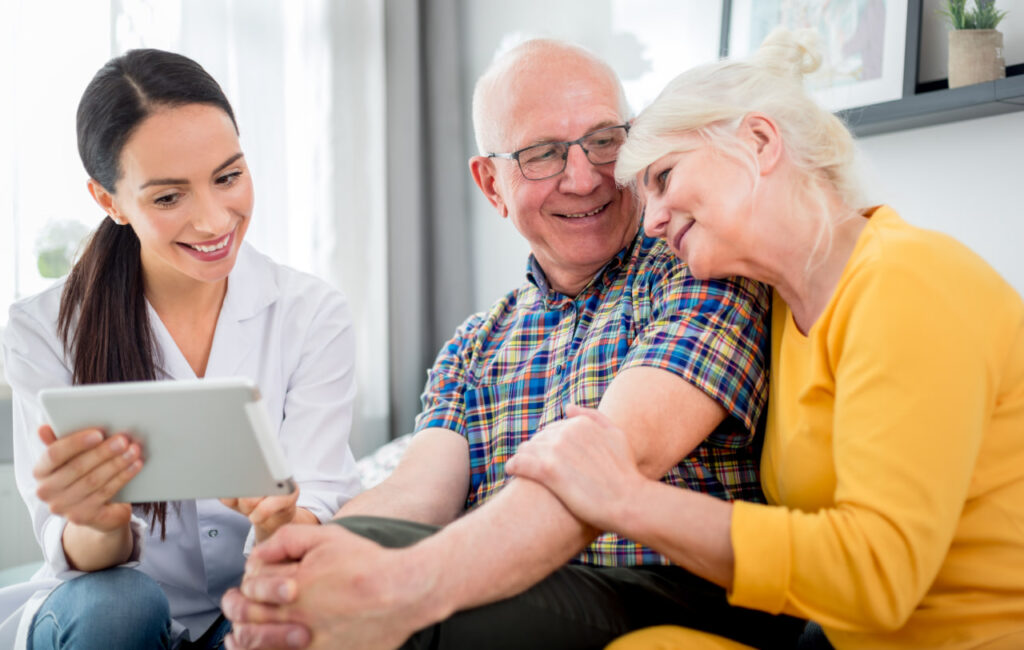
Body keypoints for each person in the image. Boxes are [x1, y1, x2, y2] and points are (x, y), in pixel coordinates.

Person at [221, 39, 804, 650]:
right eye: (542, 155)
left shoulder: (697, 264)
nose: (583, 178)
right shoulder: (476, 344)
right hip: (512, 583)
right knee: (331, 572)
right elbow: (416, 493)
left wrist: (397, 581)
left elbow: (617, 461)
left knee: (396, 606)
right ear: (491, 184)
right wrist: (305, 547)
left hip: (675, 592)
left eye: (606, 141)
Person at [505, 28, 1024, 649]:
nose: (653, 222)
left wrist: (626, 499)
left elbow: (877, 577)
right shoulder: (783, 309)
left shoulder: (906, 281)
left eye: (665, 179)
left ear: (759, 141)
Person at [0, 49, 362, 649]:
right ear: (109, 201)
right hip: (104, 609)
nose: (215, 220)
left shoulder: (311, 314)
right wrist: (101, 522)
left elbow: (317, 504)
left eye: (228, 177)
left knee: (280, 615)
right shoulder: (45, 328)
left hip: (241, 602)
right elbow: (71, 547)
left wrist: (279, 522)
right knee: (123, 601)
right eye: (169, 198)